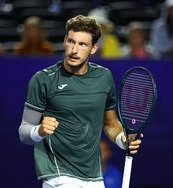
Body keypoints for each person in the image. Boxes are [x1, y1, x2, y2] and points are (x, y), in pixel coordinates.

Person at [18, 15, 143, 188]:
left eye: (82, 44)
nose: (74, 50)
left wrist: (123, 140)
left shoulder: (104, 77)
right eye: (71, 41)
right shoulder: (43, 79)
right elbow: (24, 132)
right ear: (64, 41)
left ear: (93, 48)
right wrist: (39, 130)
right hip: (58, 174)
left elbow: (110, 123)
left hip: (93, 176)